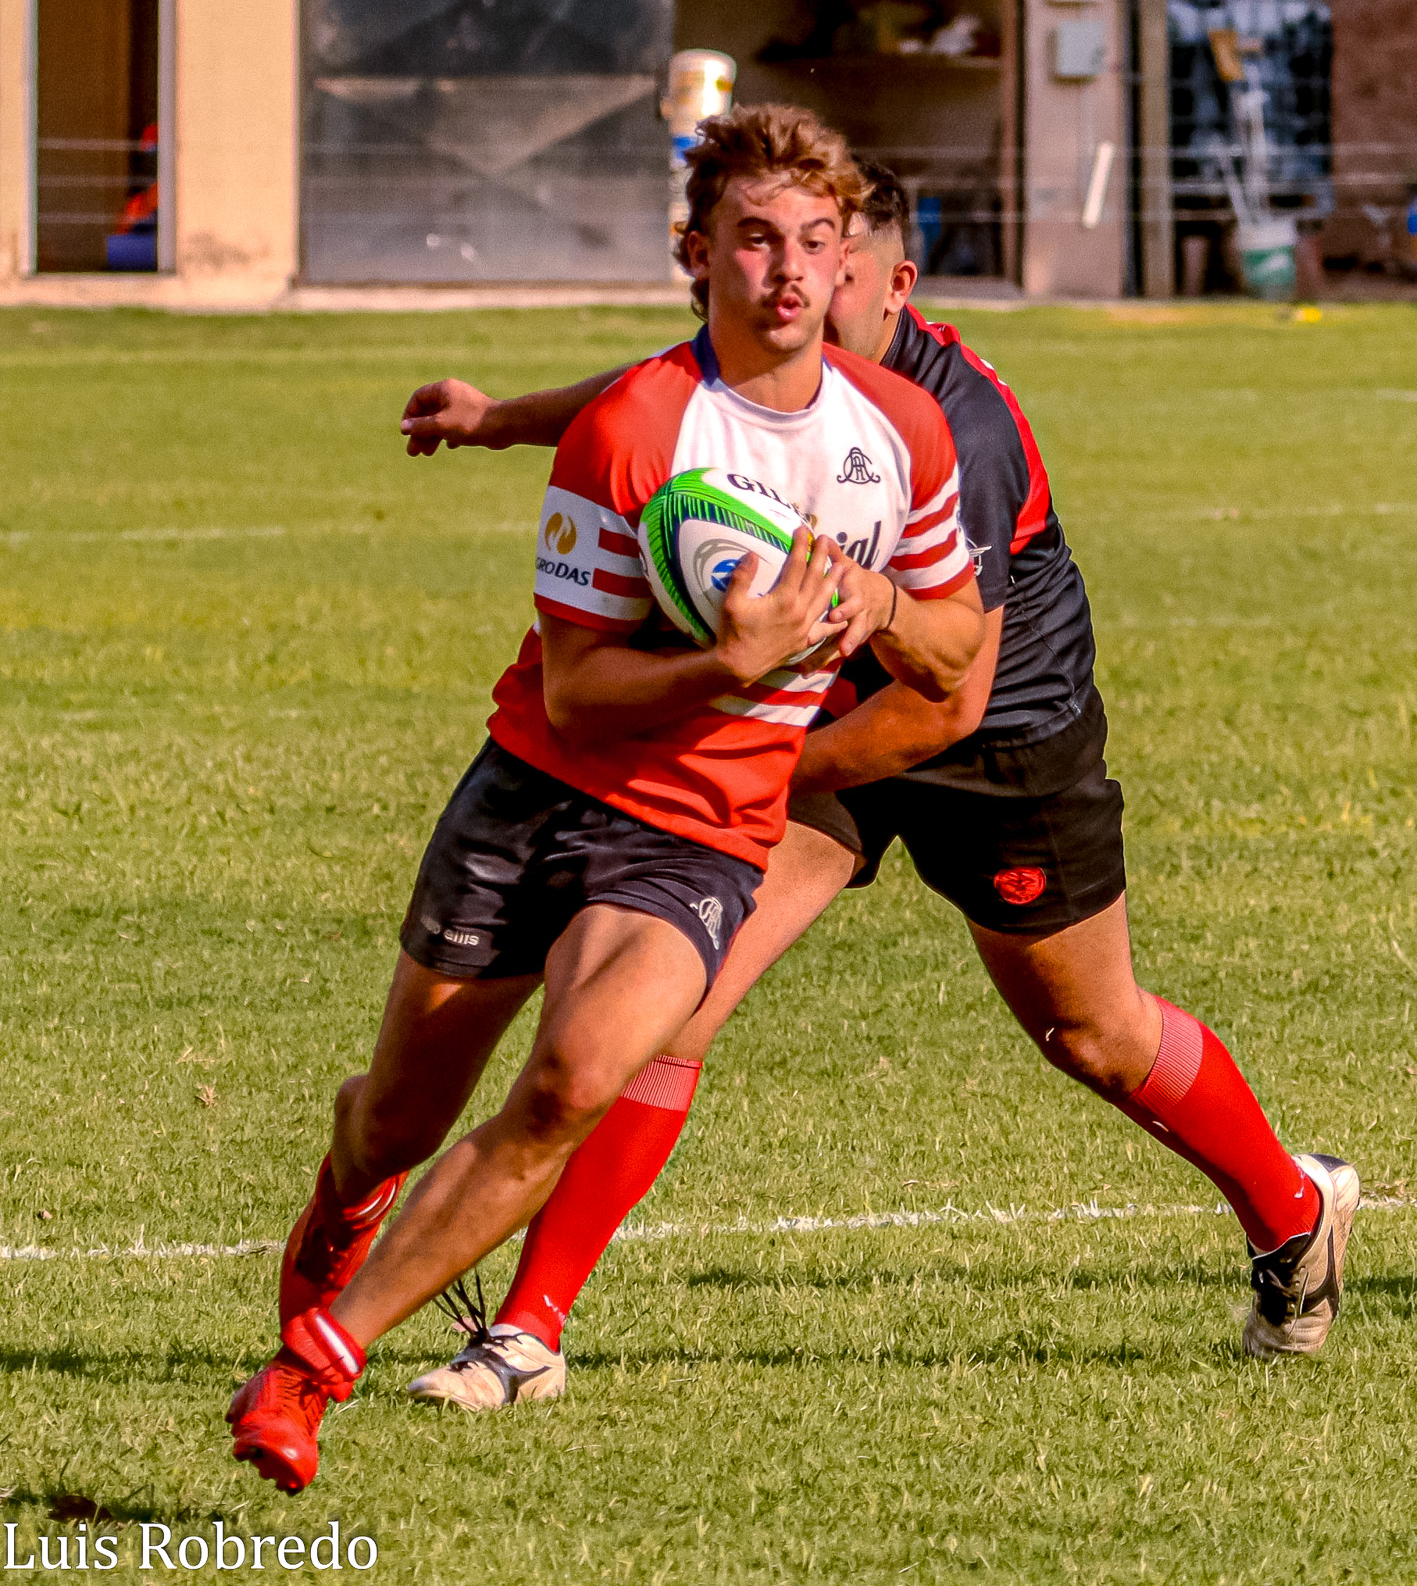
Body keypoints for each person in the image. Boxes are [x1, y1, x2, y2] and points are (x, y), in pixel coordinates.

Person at [394, 161, 1358, 1413]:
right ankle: (529, 1331)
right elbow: (660, 387)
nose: (794, 298)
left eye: (832, 278)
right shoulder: (782, 358)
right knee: (675, 998)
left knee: (1092, 1033)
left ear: (894, 285)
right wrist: (499, 419)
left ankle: (1294, 1210)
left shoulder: (955, 429)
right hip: (829, 697)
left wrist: (767, 765)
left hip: (996, 740)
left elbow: (950, 693)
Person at [226, 110, 984, 1493]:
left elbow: (955, 653)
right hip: (538, 797)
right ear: (695, 256)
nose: (791, 270)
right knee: (395, 1116)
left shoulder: (904, 434)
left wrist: (874, 602)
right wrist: (732, 660)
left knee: (572, 1083)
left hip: (702, 830)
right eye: (755, 239)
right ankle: (348, 1195)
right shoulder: (636, 427)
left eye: (818, 241)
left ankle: (305, 1374)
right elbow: (576, 696)